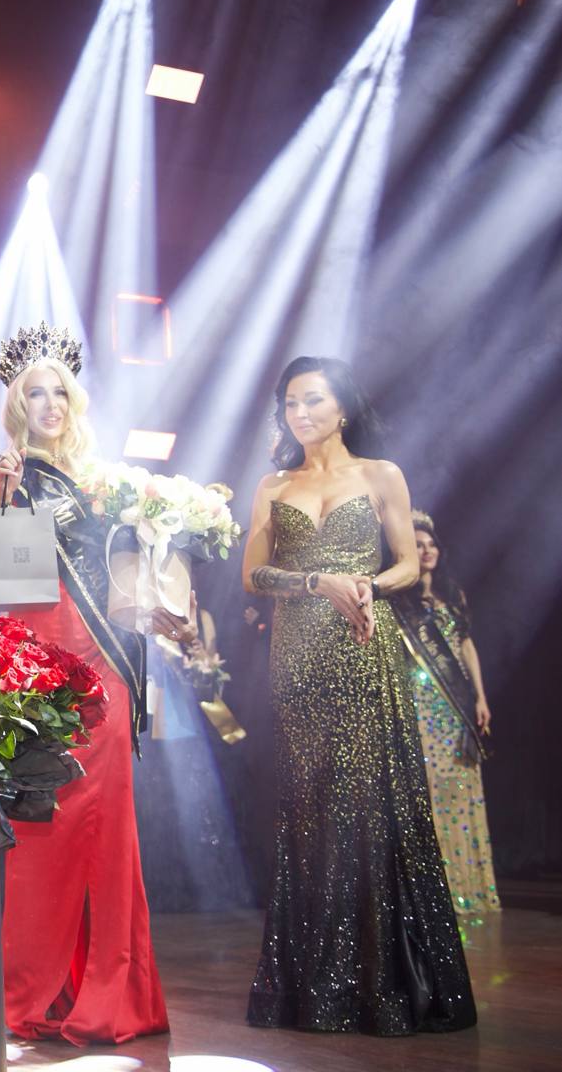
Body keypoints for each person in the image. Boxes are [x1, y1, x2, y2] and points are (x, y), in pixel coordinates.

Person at [243, 355, 476, 1035]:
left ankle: (380, 983)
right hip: (295, 658)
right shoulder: (273, 484)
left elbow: (404, 562)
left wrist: (366, 585)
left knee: (368, 804)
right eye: (290, 403)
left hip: (361, 648)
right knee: (308, 807)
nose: (300, 413)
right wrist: (315, 582)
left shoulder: (380, 475)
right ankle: (313, 986)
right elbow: (253, 575)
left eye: (313, 400)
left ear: (341, 407)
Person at [0, 323, 169, 1046]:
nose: (49, 404)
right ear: (16, 405)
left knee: (105, 824)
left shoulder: (103, 485)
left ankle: (108, 992)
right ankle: (34, 991)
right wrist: (5, 498)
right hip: (39, 669)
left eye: (59, 392)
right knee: (41, 828)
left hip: (105, 666)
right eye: (35, 393)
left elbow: (125, 579)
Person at [391, 512, 500, 916]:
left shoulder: (453, 595)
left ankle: (468, 887)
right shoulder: (399, 602)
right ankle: (435, 890)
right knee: (431, 792)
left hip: (456, 704)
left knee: (460, 788)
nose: (426, 551)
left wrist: (481, 698)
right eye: (418, 545)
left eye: (431, 544)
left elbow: (466, 646)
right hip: (420, 704)